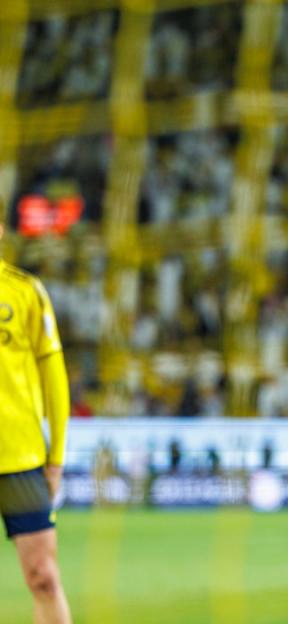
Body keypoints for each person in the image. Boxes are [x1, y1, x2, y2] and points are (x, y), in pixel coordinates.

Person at [0, 223, 73, 623]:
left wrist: (56, 455)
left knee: (43, 577)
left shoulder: (25, 291)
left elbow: (55, 376)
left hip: (21, 460)